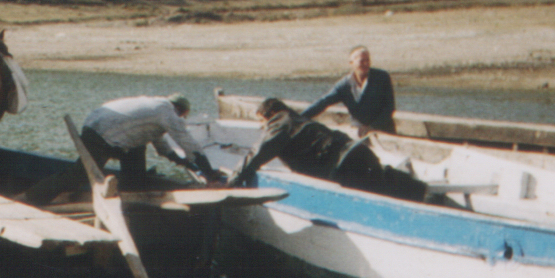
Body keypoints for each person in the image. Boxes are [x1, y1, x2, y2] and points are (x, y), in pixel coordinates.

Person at [228, 97, 426, 201]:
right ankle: (424, 193)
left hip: (344, 165)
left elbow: (258, 153)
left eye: (262, 122)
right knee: (383, 182)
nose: (263, 128)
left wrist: (231, 182)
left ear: (270, 114)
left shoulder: (280, 122)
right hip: (358, 151)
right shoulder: (299, 119)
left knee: (375, 192)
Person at [79, 93, 223, 188]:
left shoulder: (155, 108)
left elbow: (162, 147)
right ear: (178, 109)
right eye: (183, 116)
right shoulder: (167, 112)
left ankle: (130, 187)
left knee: (138, 145)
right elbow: (188, 143)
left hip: (90, 129)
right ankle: (132, 190)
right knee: (80, 174)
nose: (181, 120)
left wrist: (186, 163)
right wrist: (209, 172)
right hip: (103, 138)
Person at [301, 45, 396, 133]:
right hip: (358, 131)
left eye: (368, 60)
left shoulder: (382, 78)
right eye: (362, 61)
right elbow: (323, 102)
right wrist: (300, 118)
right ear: (351, 63)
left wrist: (372, 127)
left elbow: (389, 107)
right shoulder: (344, 85)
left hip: (383, 131)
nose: (366, 64)